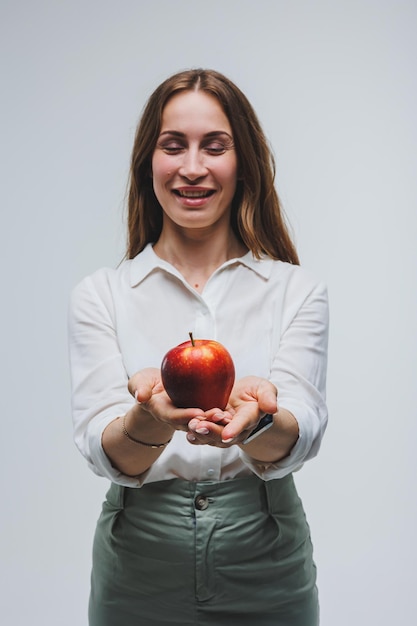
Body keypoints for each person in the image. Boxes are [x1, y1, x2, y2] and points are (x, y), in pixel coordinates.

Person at [68, 68, 329, 626]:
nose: (192, 168)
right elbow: (105, 451)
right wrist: (151, 419)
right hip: (138, 560)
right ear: (148, 163)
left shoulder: (296, 290)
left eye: (215, 146)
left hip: (267, 555)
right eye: (172, 146)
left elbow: (301, 432)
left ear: (244, 164)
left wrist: (257, 420)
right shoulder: (101, 296)